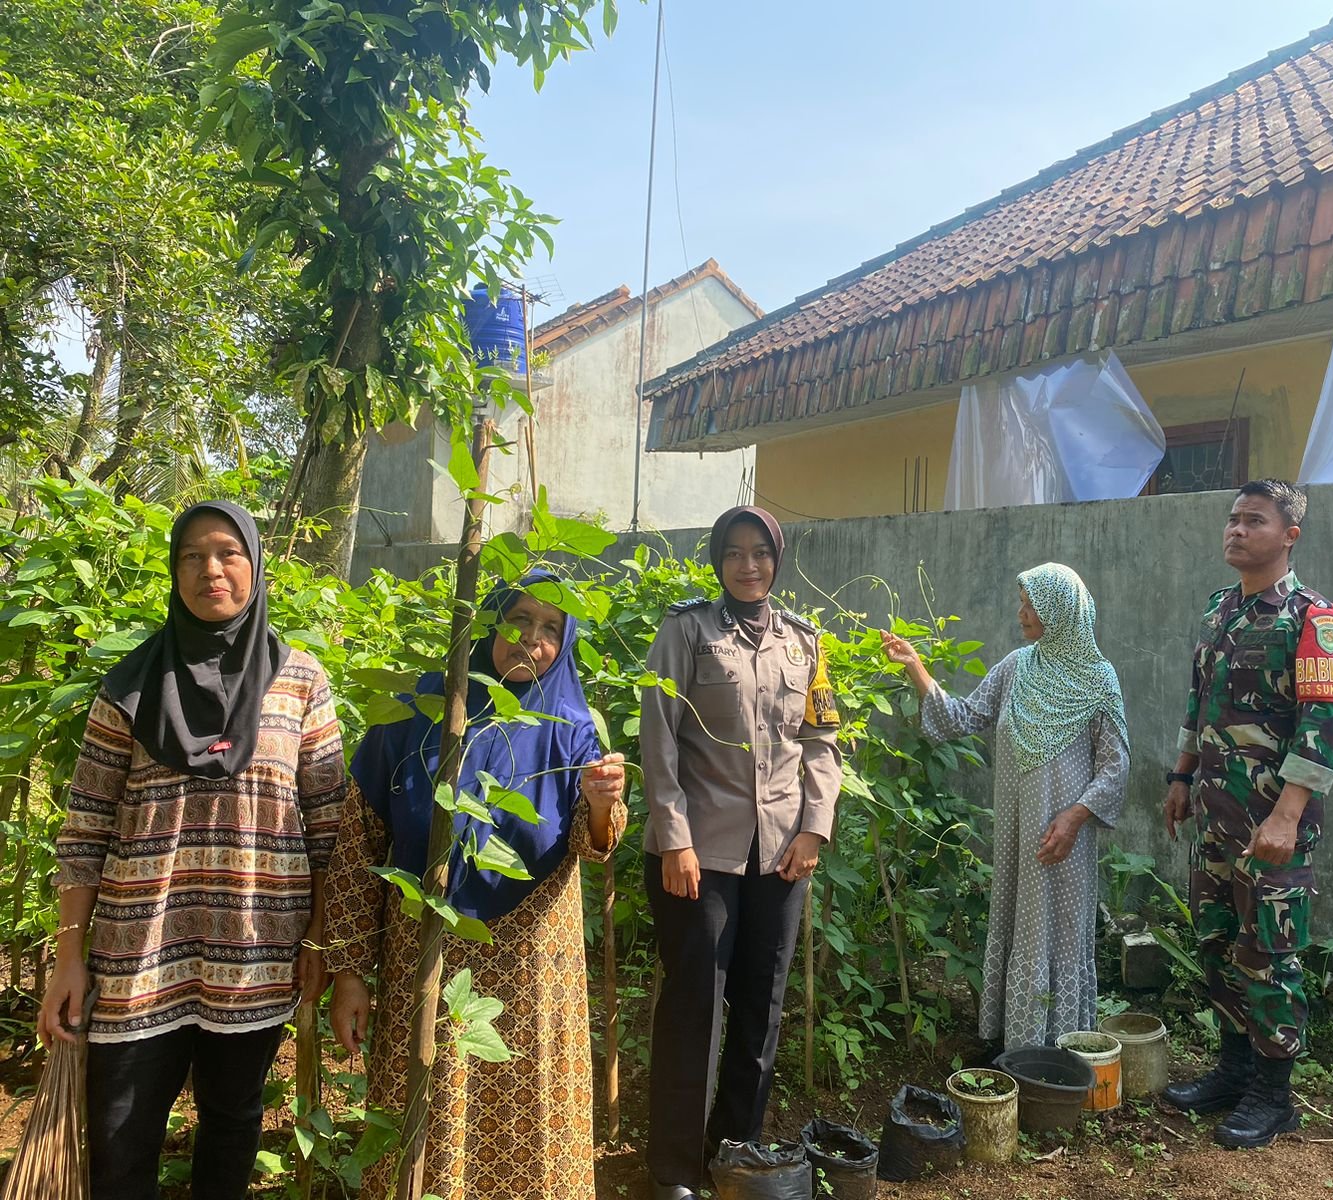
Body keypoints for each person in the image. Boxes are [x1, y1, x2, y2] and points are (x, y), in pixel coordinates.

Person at [36, 501, 346, 1200]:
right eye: (192, 555)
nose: (211, 569)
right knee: (121, 1135)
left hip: (257, 954)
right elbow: (85, 829)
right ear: (174, 571)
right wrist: (69, 958)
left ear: (256, 565)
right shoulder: (130, 687)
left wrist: (320, 944)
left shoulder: (300, 680)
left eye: (228, 552)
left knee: (233, 1121)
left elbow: (327, 824)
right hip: (137, 955)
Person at [321, 569, 627, 1200]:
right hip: (424, 946)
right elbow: (359, 843)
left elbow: (591, 844)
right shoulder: (417, 712)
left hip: (531, 965)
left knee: (528, 1117)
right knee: (425, 1111)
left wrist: (602, 803)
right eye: (518, 620)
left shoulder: (569, 728)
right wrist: (349, 972)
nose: (531, 641)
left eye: (550, 629)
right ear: (487, 621)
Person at [640, 506, 843, 1200]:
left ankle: (735, 1150)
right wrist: (674, 839)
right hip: (699, 854)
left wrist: (814, 827)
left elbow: (821, 743)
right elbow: (659, 740)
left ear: (776, 561)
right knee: (697, 1005)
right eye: (734, 553)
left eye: (760, 553)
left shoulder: (804, 644)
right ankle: (673, 1170)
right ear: (717, 561)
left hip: (780, 855)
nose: (748, 565)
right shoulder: (686, 632)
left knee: (763, 1003)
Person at [1160, 479, 1333, 1149]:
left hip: (1273, 827)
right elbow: (1198, 706)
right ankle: (1233, 1071)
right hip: (1216, 815)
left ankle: (1274, 1096)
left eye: (1255, 520)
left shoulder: (1314, 620)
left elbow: (1323, 724)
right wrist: (1181, 777)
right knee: (1215, 941)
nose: (1236, 530)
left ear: (1289, 534)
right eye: (1233, 519)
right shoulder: (1220, 611)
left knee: (1269, 952)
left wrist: (1287, 815)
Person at [882, 562, 1129, 1053]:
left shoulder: (1100, 680)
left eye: (1030, 604)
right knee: (1020, 923)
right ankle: (1016, 1043)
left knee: (1059, 930)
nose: (1021, 613)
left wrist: (1076, 816)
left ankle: (1058, 1047)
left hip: (1065, 843)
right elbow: (962, 717)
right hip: (1020, 838)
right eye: (1022, 602)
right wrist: (915, 667)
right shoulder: (1017, 668)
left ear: (1059, 610)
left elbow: (1116, 765)